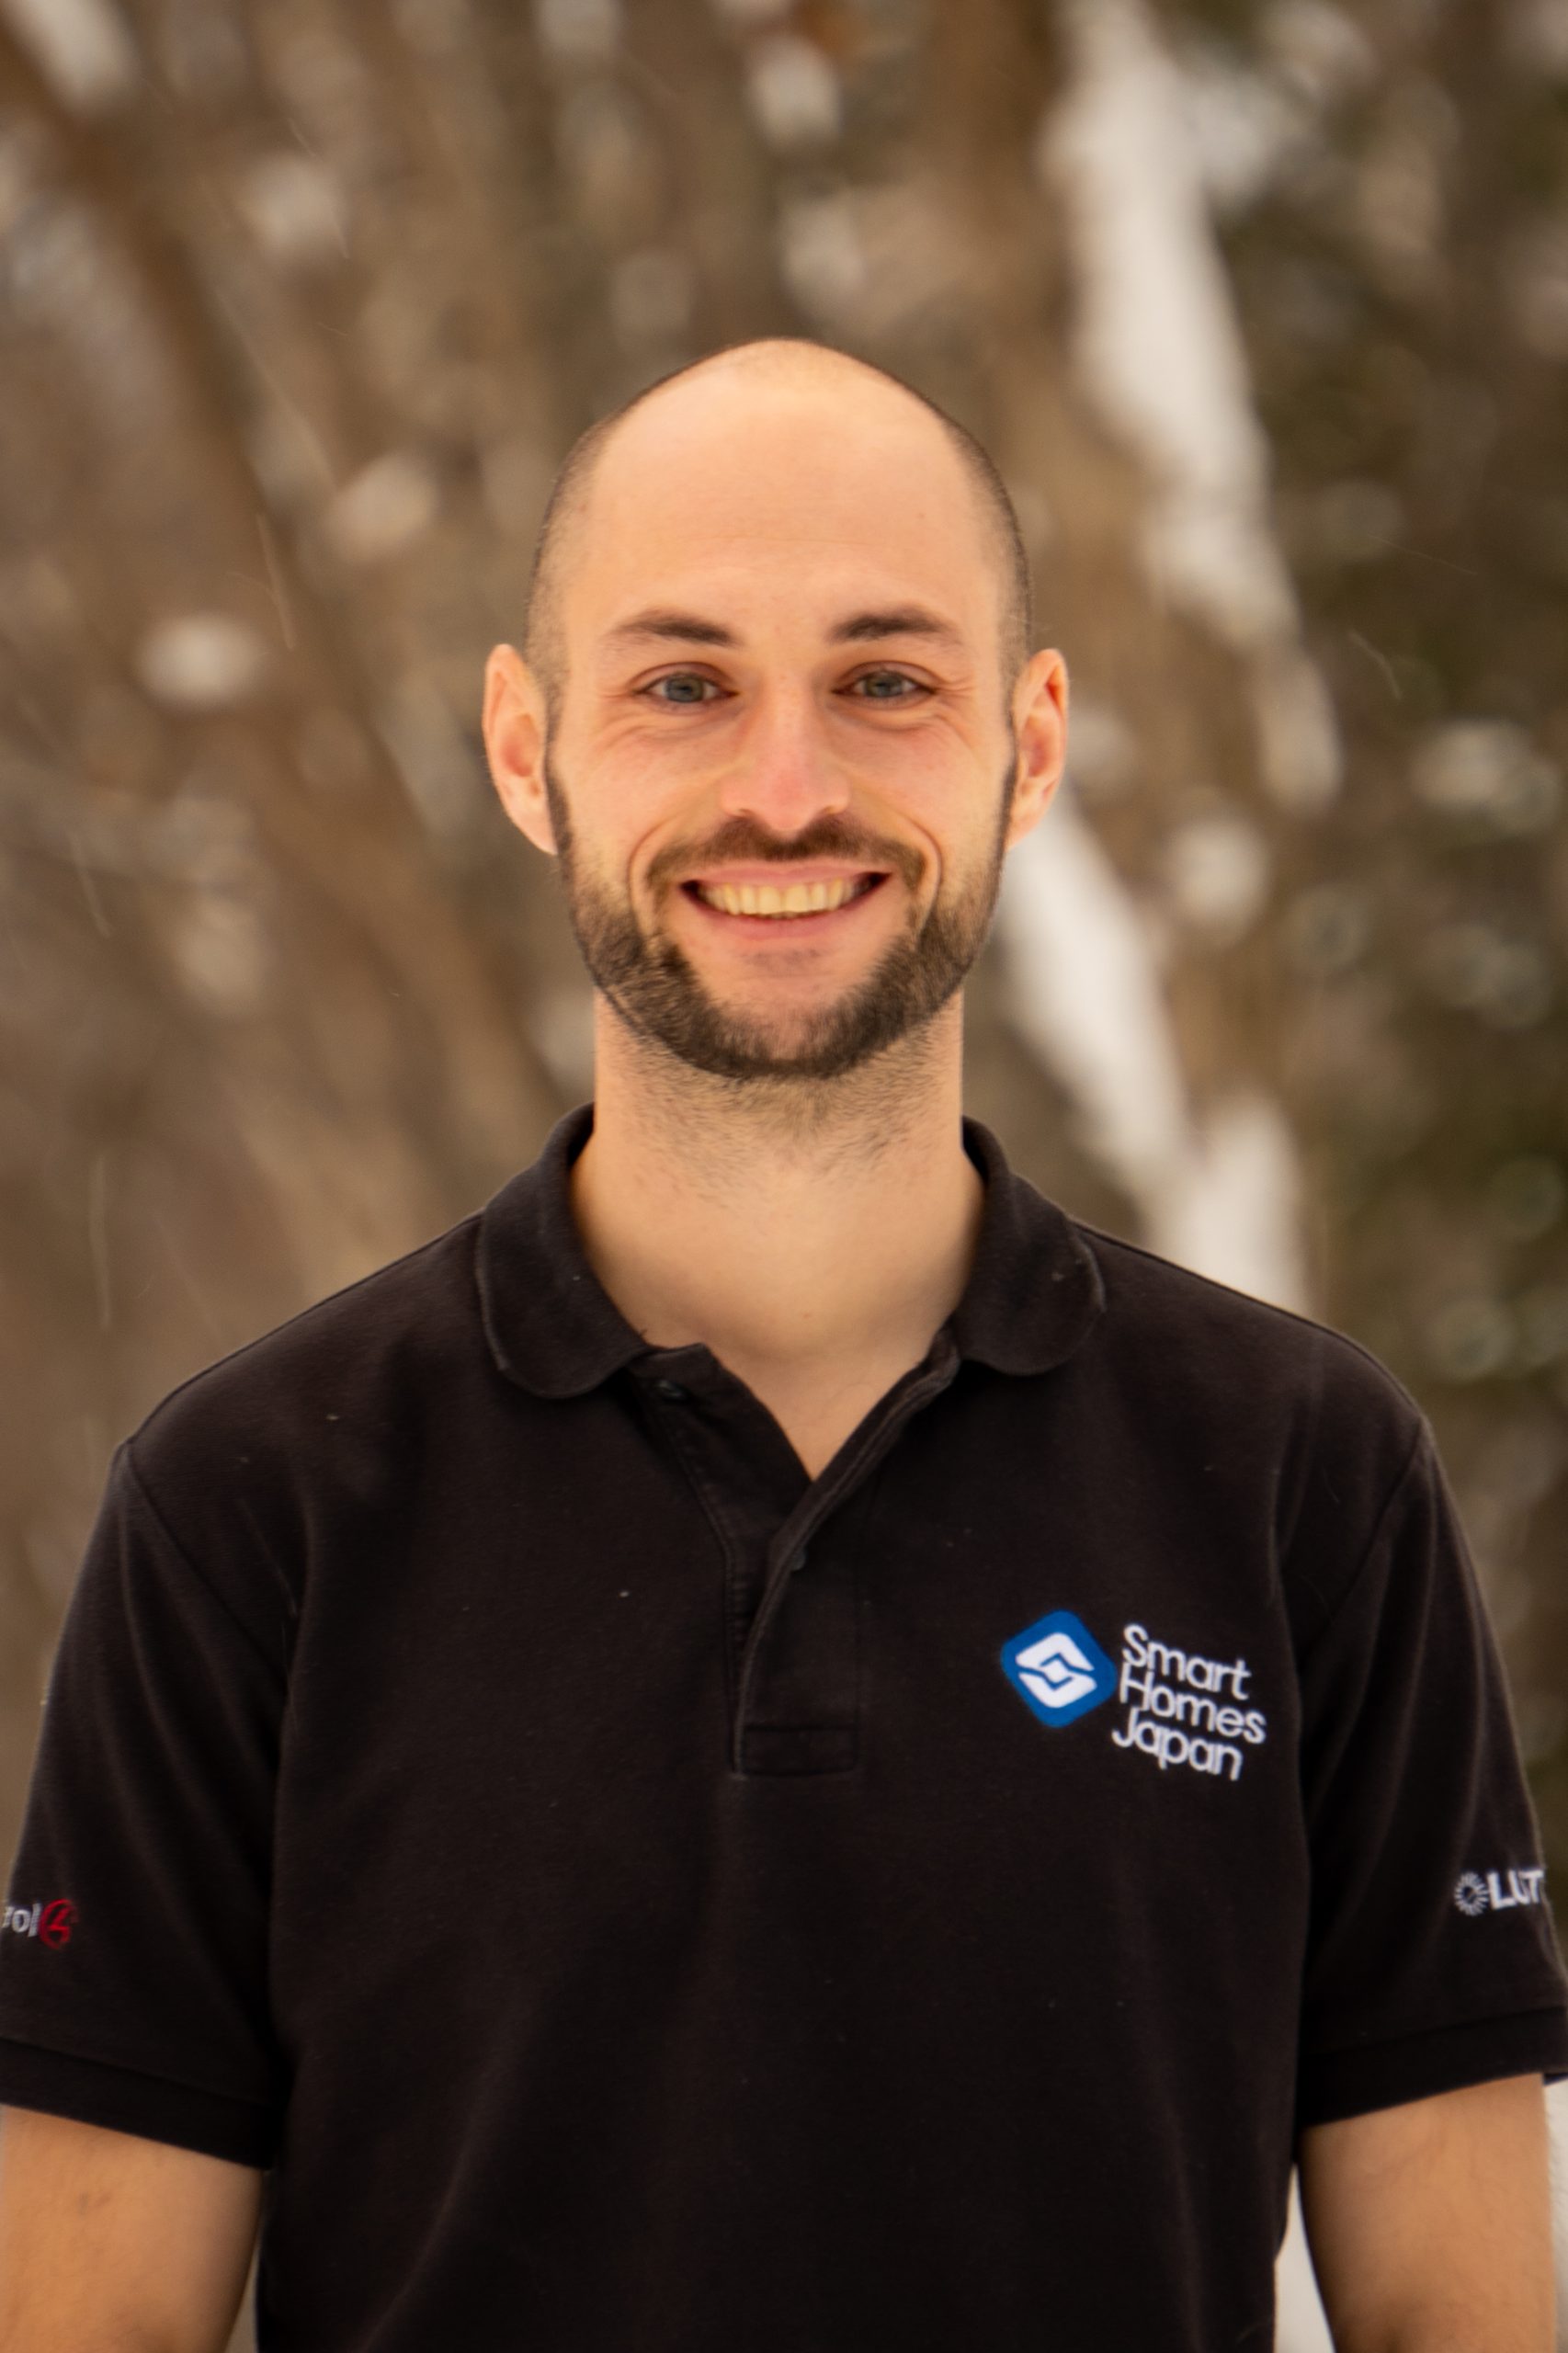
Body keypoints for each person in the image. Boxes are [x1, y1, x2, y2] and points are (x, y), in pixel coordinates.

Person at [0, 336, 1563, 2353]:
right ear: (521, 742)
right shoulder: (253, 1503)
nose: (787, 786)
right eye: (682, 683)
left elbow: (1468, 2319)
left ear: (1030, 739)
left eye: (886, 680)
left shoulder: (1298, 1472)